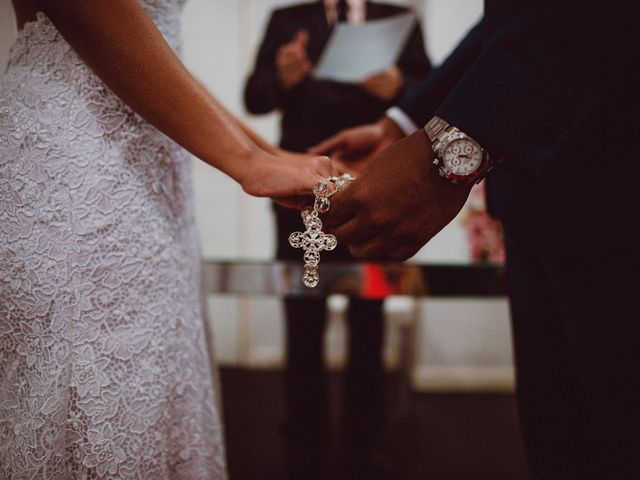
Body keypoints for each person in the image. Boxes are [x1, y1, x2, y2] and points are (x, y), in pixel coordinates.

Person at [0, 0, 339, 478]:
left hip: (151, 181)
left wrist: (266, 152)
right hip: (82, 172)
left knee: (152, 406)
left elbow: (158, 57)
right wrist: (246, 162)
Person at [314, 3, 640, 479]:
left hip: (619, 194)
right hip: (536, 208)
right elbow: (510, 24)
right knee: (561, 444)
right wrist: (401, 124)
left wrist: (445, 152)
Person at [243, 1, 429, 478]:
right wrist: (283, 77)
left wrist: (400, 88)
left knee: (370, 318)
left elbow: (432, 96)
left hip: (373, 190)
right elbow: (254, 97)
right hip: (299, 196)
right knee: (302, 316)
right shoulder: (288, 20)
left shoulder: (399, 20)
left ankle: (365, 442)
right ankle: (303, 439)